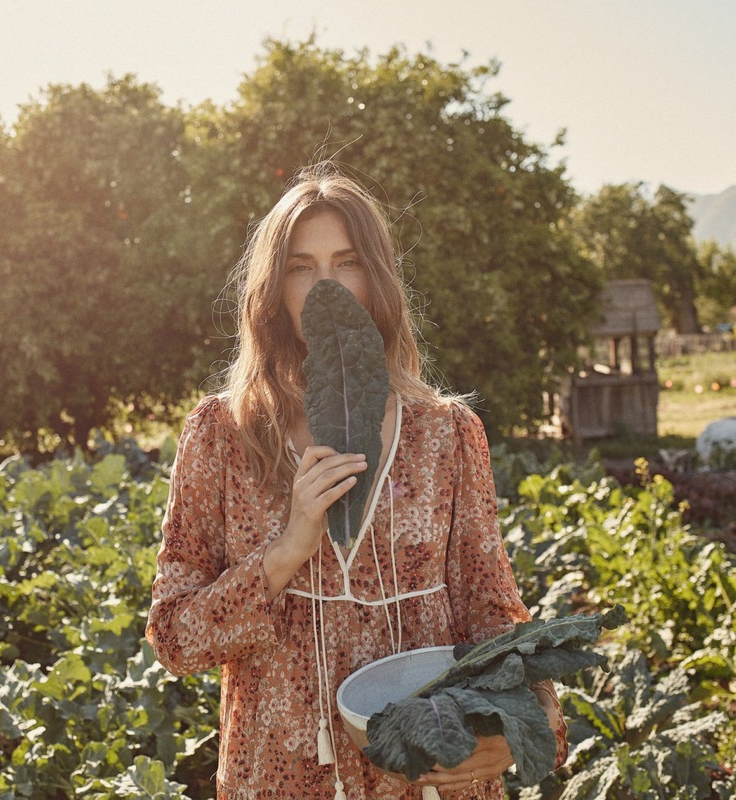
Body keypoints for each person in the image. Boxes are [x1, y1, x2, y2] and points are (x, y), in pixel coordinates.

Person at [146, 164, 568, 800]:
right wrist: (286, 550)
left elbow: (491, 610)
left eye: (345, 262)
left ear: (375, 277)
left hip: (430, 770)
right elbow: (176, 639)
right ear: (272, 287)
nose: (324, 287)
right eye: (300, 266)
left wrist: (521, 727)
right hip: (282, 773)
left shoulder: (446, 433)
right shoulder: (222, 434)